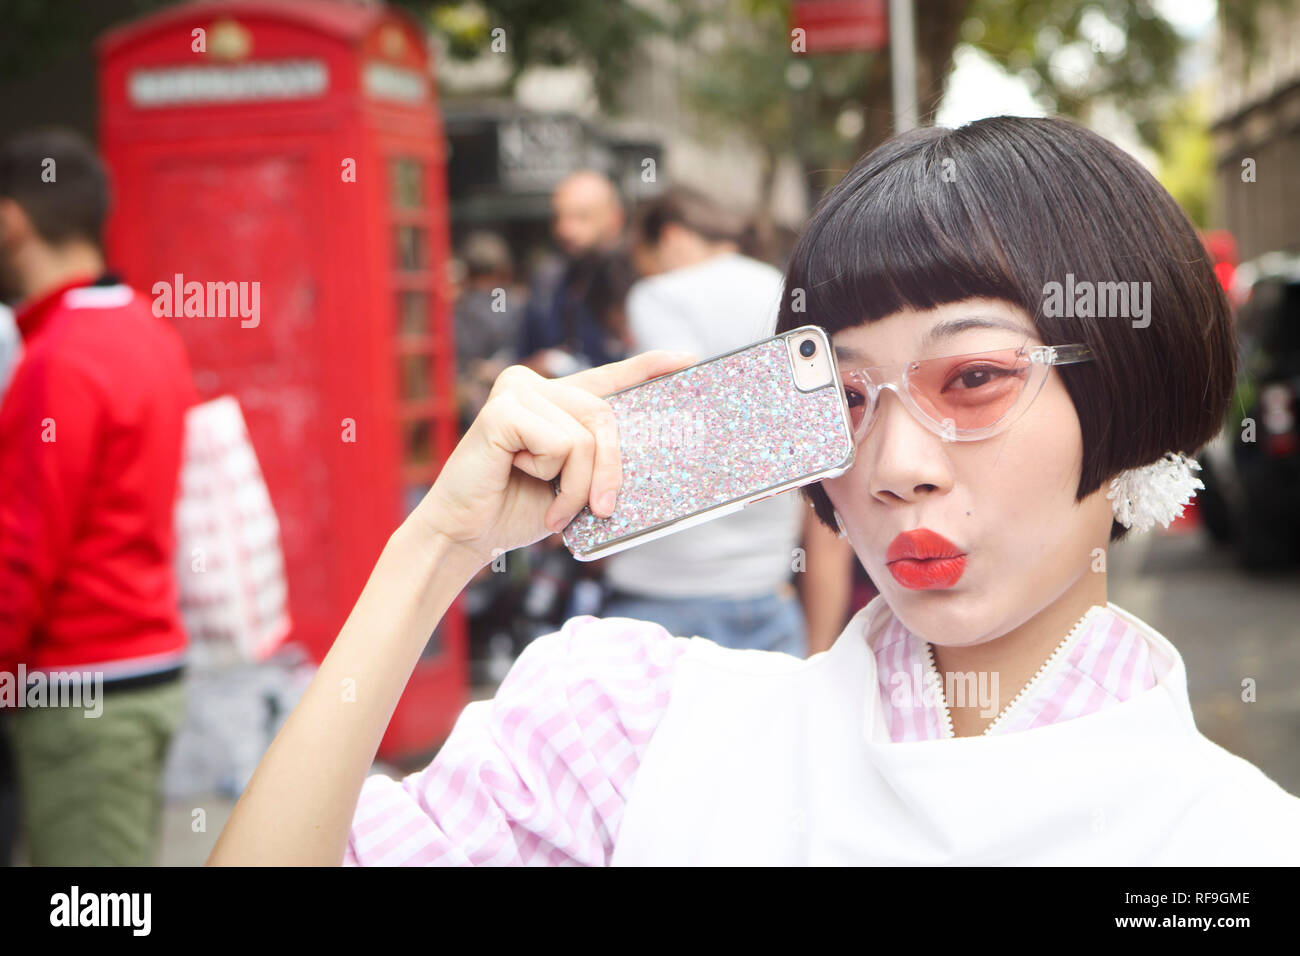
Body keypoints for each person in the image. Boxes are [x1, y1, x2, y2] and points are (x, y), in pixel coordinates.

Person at [208, 116, 1300, 866]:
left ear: (1134, 382)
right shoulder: (628, 726)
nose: (892, 462)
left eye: (972, 378)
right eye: (849, 395)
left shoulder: (1233, 843)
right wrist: (435, 546)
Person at [0, 129, 197, 865]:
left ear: (12, 220)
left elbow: (23, 551)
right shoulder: (146, 328)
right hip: (143, 668)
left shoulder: (58, 360)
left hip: (81, 684)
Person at [600, 186, 853, 656]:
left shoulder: (657, 296)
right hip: (766, 595)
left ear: (671, 239)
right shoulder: (789, 293)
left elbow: (673, 423)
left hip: (664, 601)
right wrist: (820, 652)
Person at [517, 170, 630, 376]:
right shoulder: (549, 280)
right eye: (558, 217)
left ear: (615, 218)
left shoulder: (639, 277)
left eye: (581, 217)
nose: (564, 229)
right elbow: (526, 354)